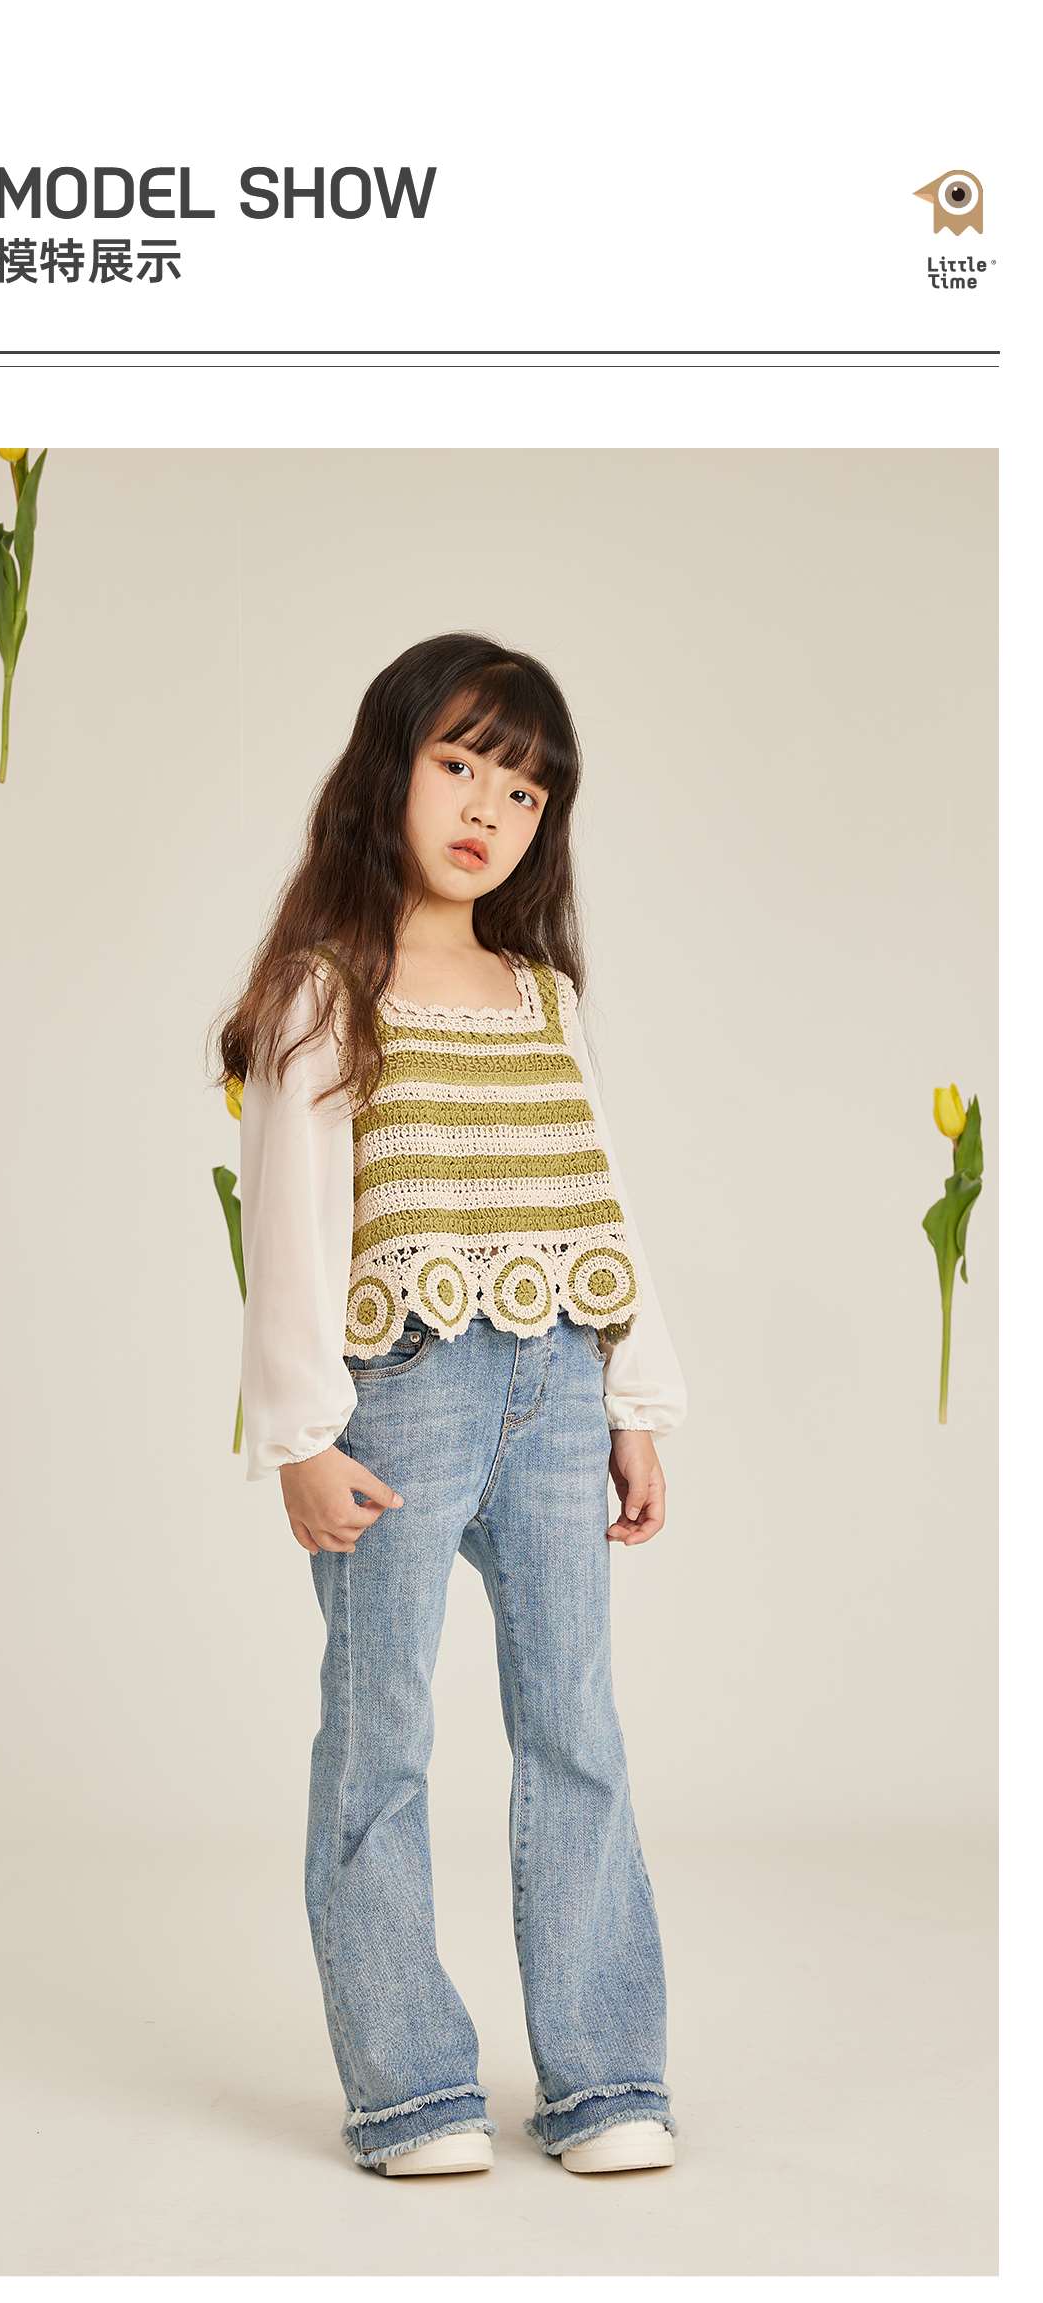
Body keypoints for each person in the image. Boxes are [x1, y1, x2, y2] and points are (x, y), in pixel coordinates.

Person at [217, 633, 688, 2179]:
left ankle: (607, 2080)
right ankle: (412, 2089)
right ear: (391, 769)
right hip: (403, 1399)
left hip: (558, 1384)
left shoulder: (545, 998)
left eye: (527, 789)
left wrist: (633, 1398)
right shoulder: (326, 991)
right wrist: (302, 1434)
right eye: (462, 763)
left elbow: (598, 1198)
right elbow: (291, 1220)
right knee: (383, 1737)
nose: (491, 807)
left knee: (577, 1728)